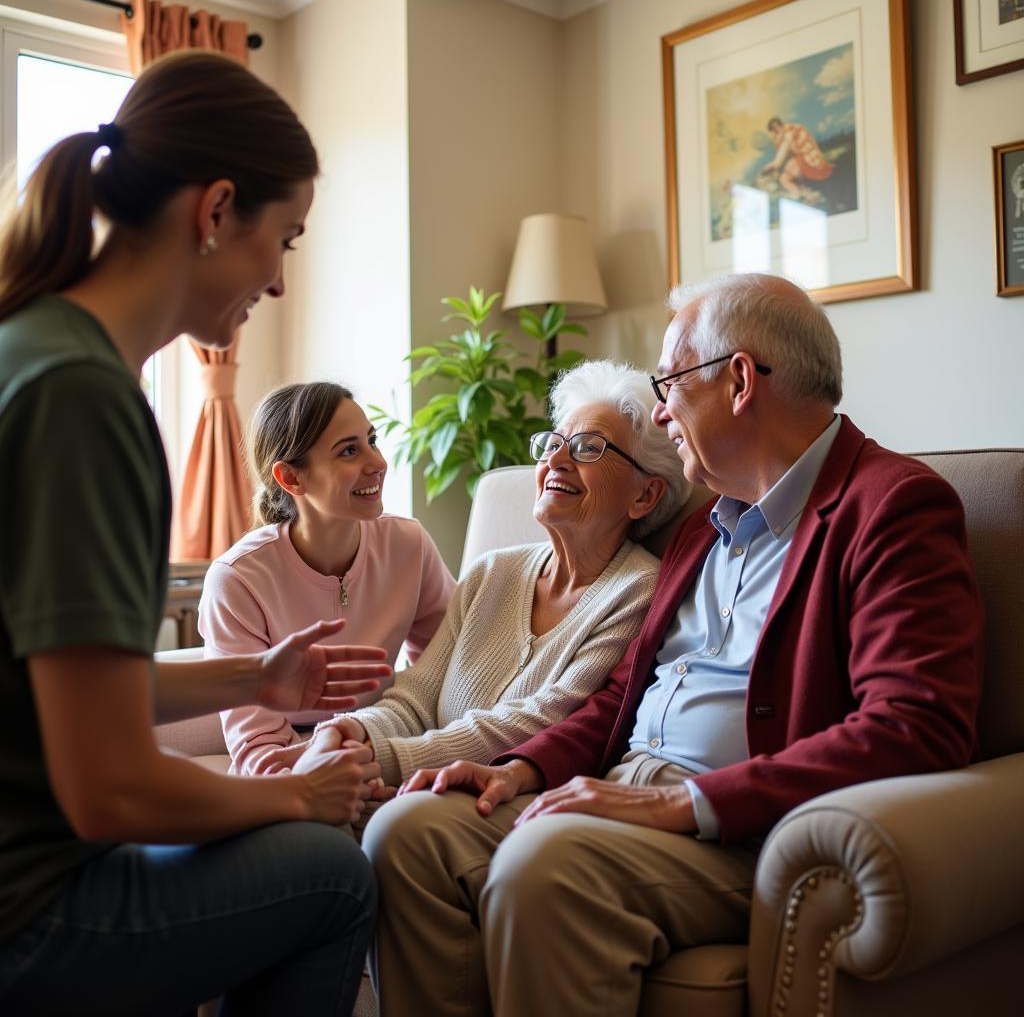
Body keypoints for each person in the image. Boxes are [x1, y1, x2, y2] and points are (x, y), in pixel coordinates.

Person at [362, 273, 984, 1017]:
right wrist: (521, 769)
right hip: (628, 793)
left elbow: (917, 724)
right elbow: (623, 695)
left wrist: (682, 804)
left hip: (744, 830)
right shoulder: (702, 526)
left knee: (547, 864)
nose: (661, 410)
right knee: (408, 831)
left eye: (670, 383)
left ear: (740, 381)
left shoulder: (889, 506)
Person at [0, 51, 390, 1016]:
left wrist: (249, 681)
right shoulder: (82, 399)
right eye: (286, 241)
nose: (282, 284)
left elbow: (48, 685)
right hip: (27, 912)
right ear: (215, 212)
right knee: (330, 873)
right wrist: (299, 798)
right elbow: (110, 792)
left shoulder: (31, 348)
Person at [306, 359, 692, 790]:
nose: (557, 460)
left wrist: (382, 759)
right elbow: (414, 700)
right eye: (553, 443)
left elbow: (541, 720)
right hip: (418, 783)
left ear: (644, 494)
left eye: (588, 448)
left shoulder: (638, 591)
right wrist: (354, 731)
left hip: (506, 798)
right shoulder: (493, 571)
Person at [201, 380, 455, 776]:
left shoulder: (408, 544)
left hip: (381, 739)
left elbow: (448, 668)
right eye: (349, 450)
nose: (378, 462)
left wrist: (392, 755)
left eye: (372, 440)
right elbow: (259, 746)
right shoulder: (238, 580)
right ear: (291, 478)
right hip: (292, 761)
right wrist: (325, 776)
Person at [761, 116, 834, 203]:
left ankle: (804, 194)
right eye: (773, 131)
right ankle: (800, 194)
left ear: (777, 127)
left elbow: (778, 161)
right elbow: (783, 156)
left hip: (807, 160)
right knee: (783, 178)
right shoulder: (782, 135)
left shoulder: (788, 133)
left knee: (785, 177)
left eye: (774, 130)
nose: (774, 133)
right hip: (799, 160)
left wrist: (771, 167)